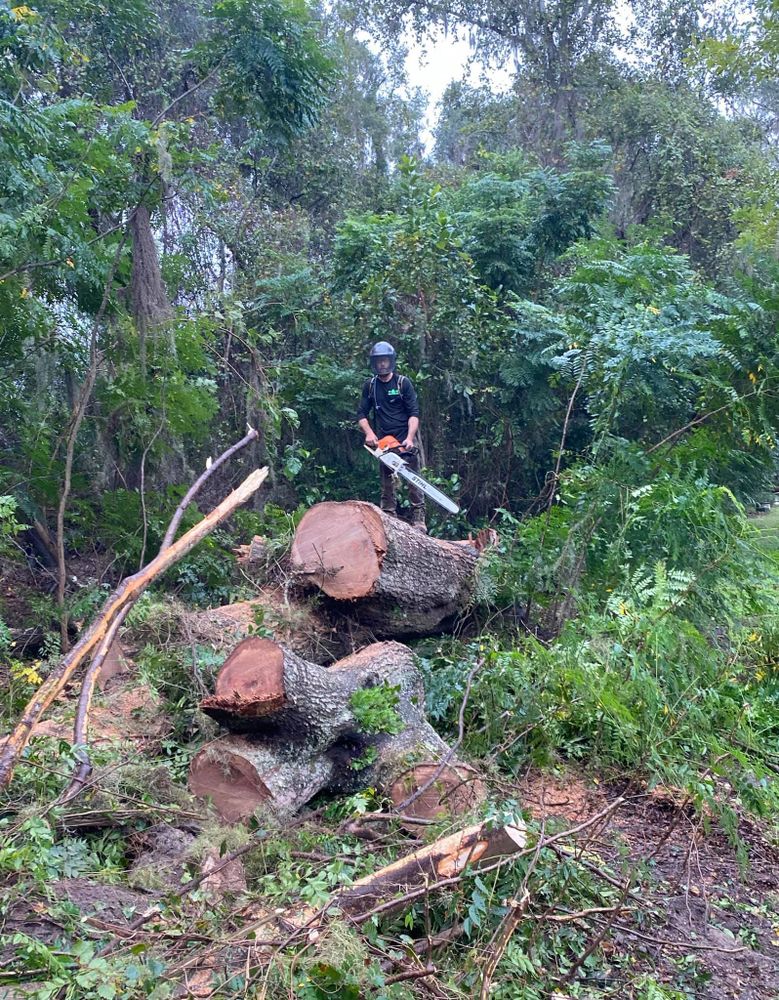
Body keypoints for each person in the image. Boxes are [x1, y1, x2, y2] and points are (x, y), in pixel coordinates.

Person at [357, 341, 426, 531]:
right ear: (374, 363)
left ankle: (419, 518)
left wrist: (410, 438)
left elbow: (414, 413)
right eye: (379, 361)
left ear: (391, 361)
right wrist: (370, 434)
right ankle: (388, 515)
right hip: (384, 441)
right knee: (387, 482)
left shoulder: (403, 383)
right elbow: (362, 414)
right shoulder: (370, 386)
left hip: (405, 439)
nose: (382, 364)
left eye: (385, 361)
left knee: (413, 478)